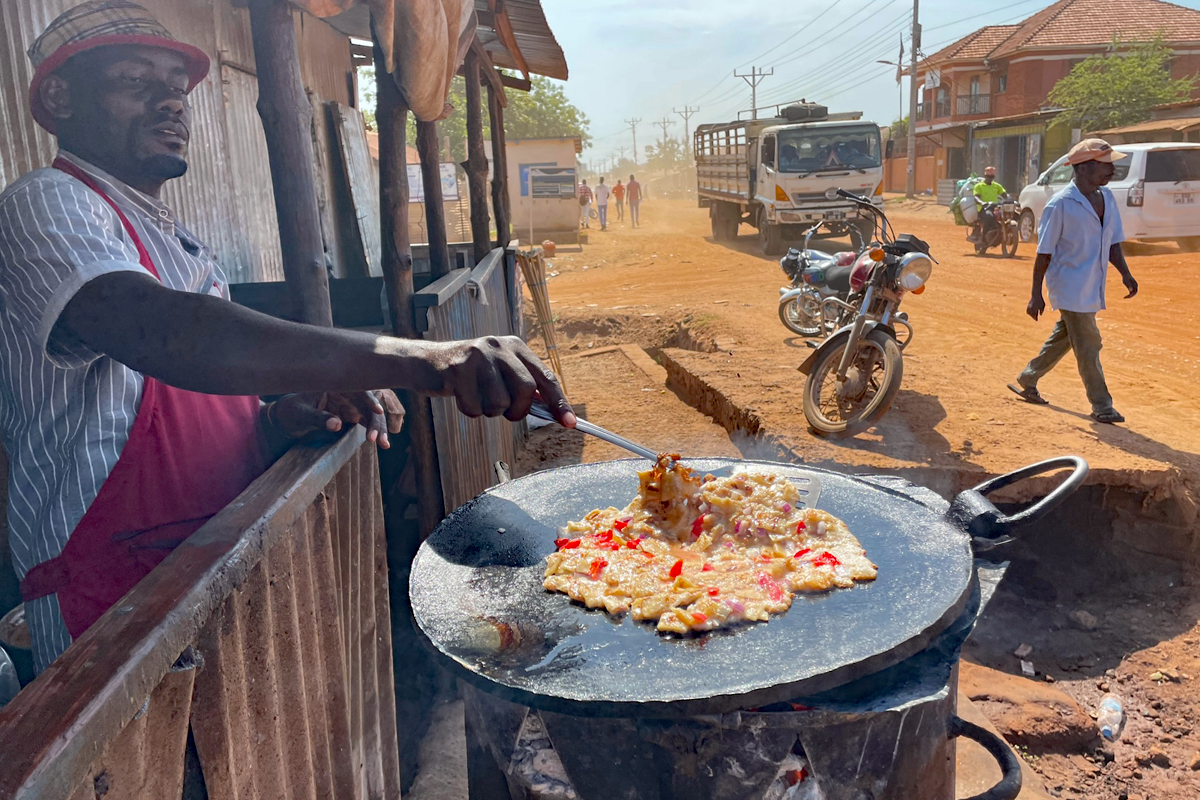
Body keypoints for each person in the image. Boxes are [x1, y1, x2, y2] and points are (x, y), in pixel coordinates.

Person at [0, 1, 575, 674]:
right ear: (62, 100)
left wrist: (281, 421)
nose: (170, 104)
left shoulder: (175, 240)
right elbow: (162, 334)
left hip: (203, 569)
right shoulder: (45, 202)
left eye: (176, 88)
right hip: (111, 598)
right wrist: (426, 359)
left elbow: (190, 417)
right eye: (135, 82)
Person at [1006, 139, 1138, 425]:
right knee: (1089, 342)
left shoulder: (1107, 198)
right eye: (1106, 165)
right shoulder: (1061, 204)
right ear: (1085, 167)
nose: (1113, 170)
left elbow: (1113, 241)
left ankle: (1028, 377)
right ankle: (1102, 405)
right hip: (1069, 285)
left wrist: (1125, 273)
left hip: (1092, 284)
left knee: (1066, 336)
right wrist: (1035, 294)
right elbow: (1044, 252)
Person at [970, 166, 1007, 244]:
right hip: (984, 209)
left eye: (991, 177)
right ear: (985, 176)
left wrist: (1009, 200)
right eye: (988, 176)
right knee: (989, 216)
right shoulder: (979, 186)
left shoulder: (997, 186)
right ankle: (983, 238)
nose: (990, 178)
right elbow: (976, 197)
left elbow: (1004, 194)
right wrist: (982, 203)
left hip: (995, 208)